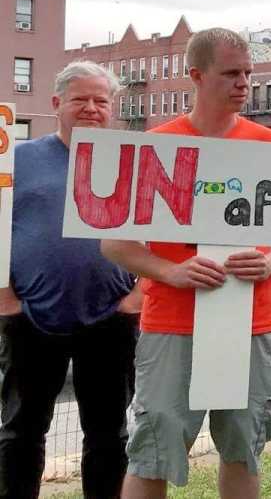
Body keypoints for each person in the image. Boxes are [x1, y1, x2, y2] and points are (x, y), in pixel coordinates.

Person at [102, 28, 271, 498]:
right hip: (172, 323)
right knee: (154, 451)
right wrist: (171, 271)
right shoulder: (155, 146)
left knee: (243, 448)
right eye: (231, 73)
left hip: (251, 323)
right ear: (195, 75)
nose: (244, 83)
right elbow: (116, 244)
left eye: (248, 73)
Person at [0, 62, 140, 498]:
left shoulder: (131, 163)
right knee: (21, 431)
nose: (91, 109)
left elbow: (166, 235)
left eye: (101, 101)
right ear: (57, 103)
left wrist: (139, 294)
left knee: (108, 434)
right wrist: (4, 297)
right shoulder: (16, 160)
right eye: (81, 99)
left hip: (111, 317)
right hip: (30, 316)